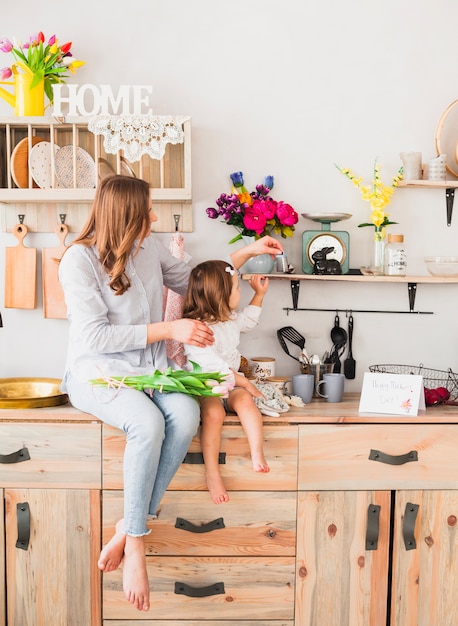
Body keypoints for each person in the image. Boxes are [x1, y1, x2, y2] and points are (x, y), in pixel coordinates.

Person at [57, 175, 283, 613]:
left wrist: (249, 252)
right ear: (127, 215)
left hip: (153, 370)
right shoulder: (77, 261)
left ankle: (127, 527)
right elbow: (95, 338)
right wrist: (169, 328)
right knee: (146, 422)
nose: (155, 217)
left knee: (184, 414)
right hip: (100, 373)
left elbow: (203, 284)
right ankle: (137, 545)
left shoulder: (152, 248)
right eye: (148, 211)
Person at [182, 260, 270, 504]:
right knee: (213, 414)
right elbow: (210, 368)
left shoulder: (229, 319)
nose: (239, 293)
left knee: (246, 402)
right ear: (221, 295)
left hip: (231, 384)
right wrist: (244, 381)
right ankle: (212, 472)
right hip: (206, 385)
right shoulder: (196, 328)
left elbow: (248, 321)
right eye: (236, 288)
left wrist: (259, 295)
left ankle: (256, 453)